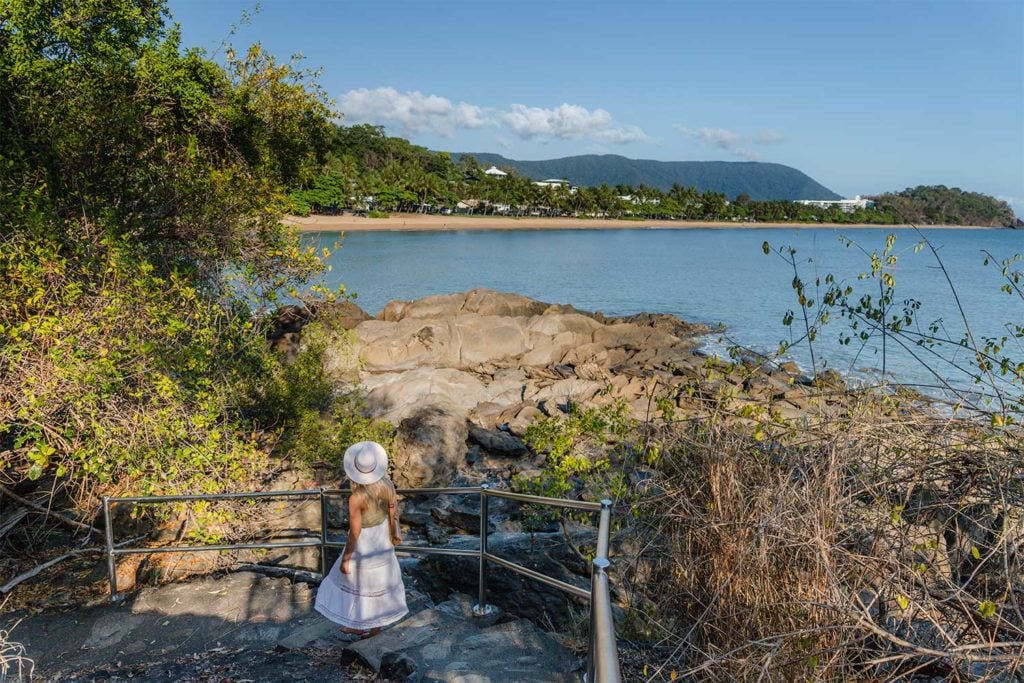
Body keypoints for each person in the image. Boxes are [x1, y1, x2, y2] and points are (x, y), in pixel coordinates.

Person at [315, 441, 408, 636]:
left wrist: (346, 558)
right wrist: (393, 532)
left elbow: (355, 532)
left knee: (356, 580)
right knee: (378, 581)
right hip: (382, 535)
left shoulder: (356, 497)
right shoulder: (387, 484)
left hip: (365, 540)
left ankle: (359, 625)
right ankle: (371, 628)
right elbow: (393, 510)